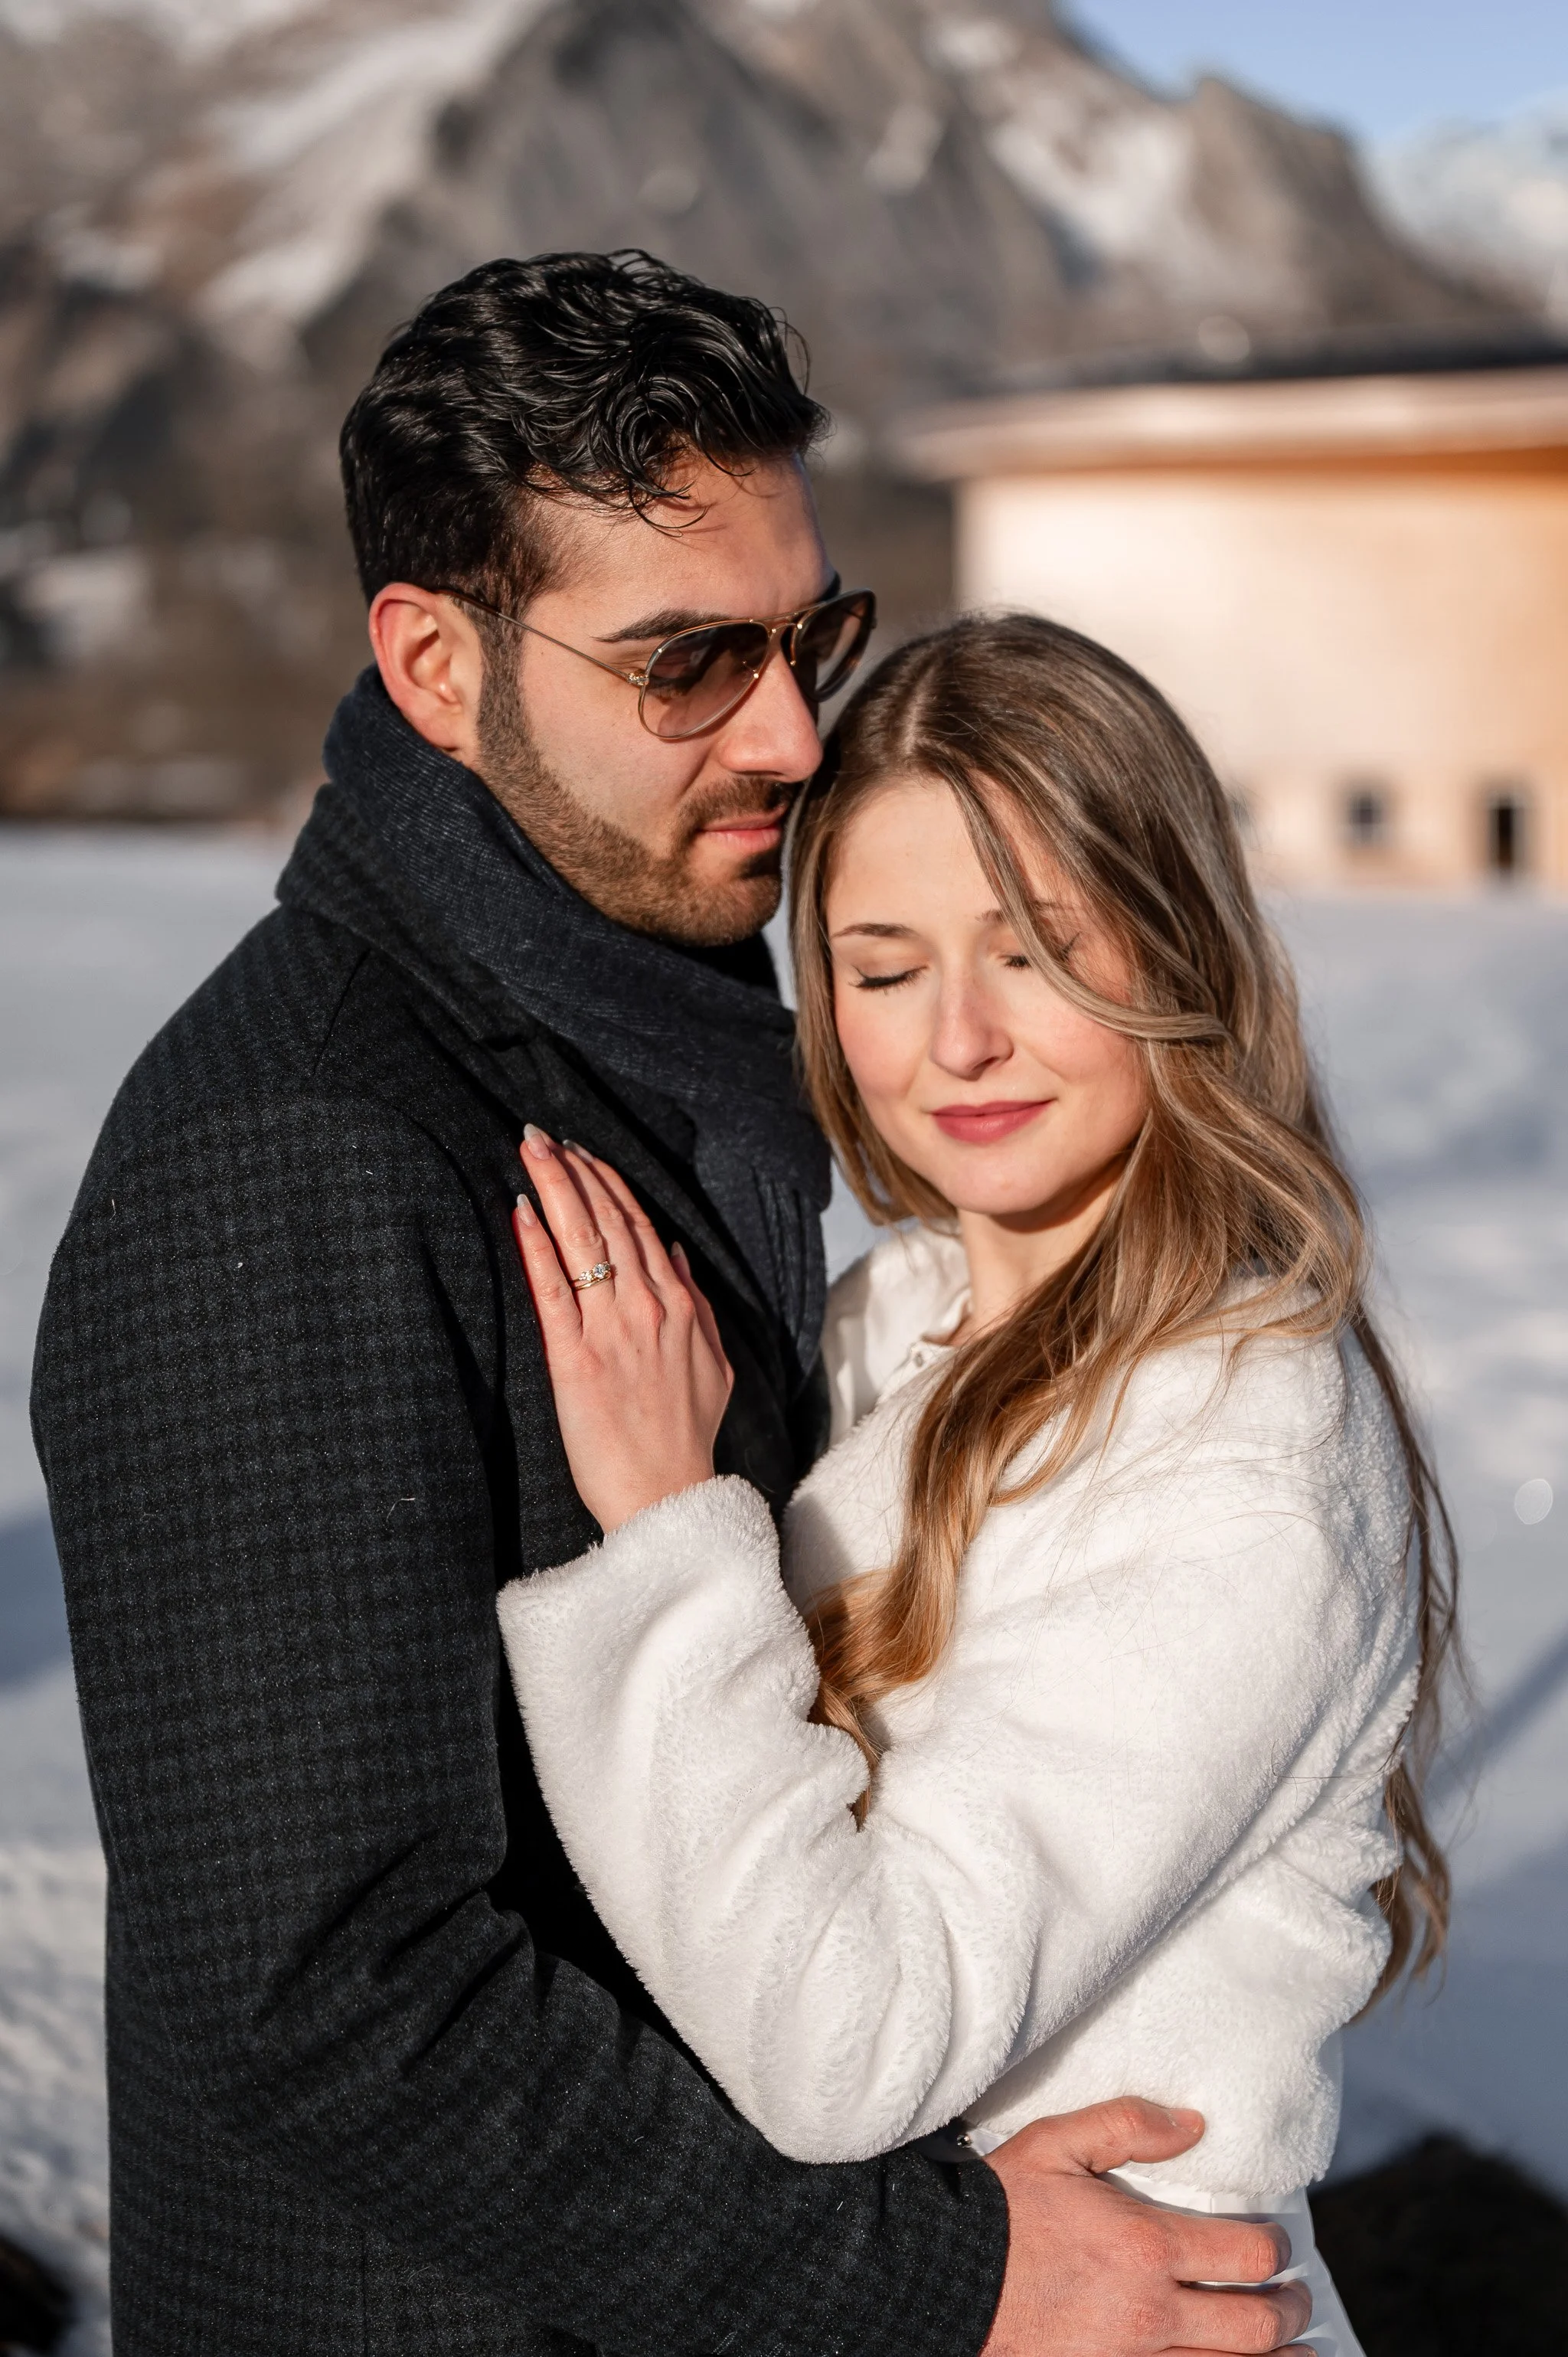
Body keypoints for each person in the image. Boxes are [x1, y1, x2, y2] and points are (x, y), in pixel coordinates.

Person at [29, 255, 1311, 2357]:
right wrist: (948, 2273)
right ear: (437, 664)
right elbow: (336, 1989)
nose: (794, 732)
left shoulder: (621, 1040)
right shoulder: (299, 1152)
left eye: (811, 636)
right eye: (689, 662)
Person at [499, 615, 1462, 2357]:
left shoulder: (1242, 1456)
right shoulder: (899, 1322)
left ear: (1173, 948)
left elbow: (841, 2040)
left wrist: (662, 1534)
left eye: (1033, 951)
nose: (957, 1040)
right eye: (880, 967)